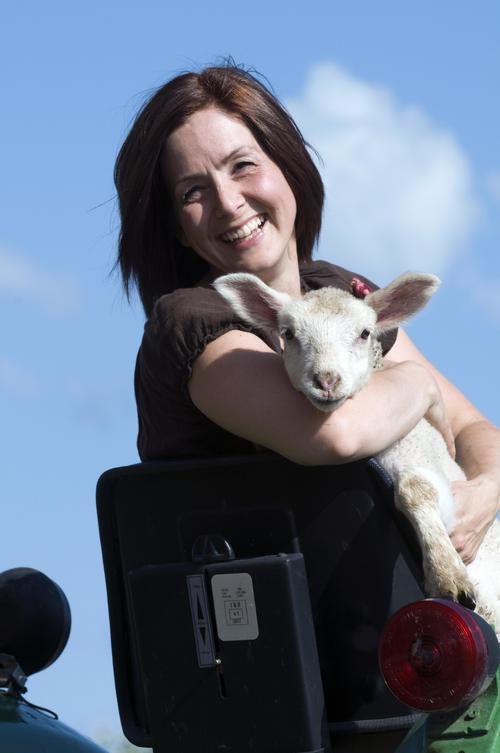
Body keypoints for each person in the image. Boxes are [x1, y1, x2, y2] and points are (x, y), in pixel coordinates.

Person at [115, 63, 500, 566]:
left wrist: (486, 490)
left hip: (405, 612)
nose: (229, 204)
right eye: (194, 192)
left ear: (289, 168)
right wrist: (418, 384)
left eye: (243, 165)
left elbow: (472, 427)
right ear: (178, 230)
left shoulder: (339, 291)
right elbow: (338, 433)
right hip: (277, 627)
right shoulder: (193, 323)